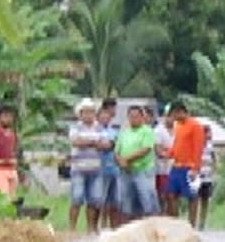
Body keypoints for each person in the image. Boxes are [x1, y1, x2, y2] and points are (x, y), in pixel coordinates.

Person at [114, 105, 161, 220]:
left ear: (142, 117)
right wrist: (121, 161)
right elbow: (116, 151)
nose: (133, 118)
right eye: (131, 116)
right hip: (126, 171)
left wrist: (126, 159)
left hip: (143, 171)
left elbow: (145, 149)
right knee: (126, 202)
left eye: (136, 116)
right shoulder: (124, 132)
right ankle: (129, 229)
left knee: (147, 201)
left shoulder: (147, 131)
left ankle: (152, 227)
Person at [67, 98, 105, 232]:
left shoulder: (99, 127)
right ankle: (72, 228)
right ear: (80, 114)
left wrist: (88, 142)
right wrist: (94, 142)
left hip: (95, 169)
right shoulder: (75, 127)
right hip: (78, 168)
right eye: (86, 112)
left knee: (94, 199)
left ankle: (90, 229)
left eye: (91, 112)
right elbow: (76, 142)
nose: (89, 115)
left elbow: (105, 144)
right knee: (76, 198)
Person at [166, 103, 206, 228]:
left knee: (192, 196)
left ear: (179, 112)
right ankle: (175, 225)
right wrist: (168, 153)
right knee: (170, 194)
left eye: (174, 115)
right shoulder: (178, 126)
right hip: (176, 166)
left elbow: (198, 148)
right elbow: (177, 144)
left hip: (190, 167)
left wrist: (196, 168)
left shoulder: (195, 126)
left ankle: (191, 225)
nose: (173, 118)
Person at [96, 100, 122, 229]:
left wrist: (109, 144)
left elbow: (114, 145)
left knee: (115, 200)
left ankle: (113, 226)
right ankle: (101, 225)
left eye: (107, 116)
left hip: (114, 169)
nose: (105, 118)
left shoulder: (114, 130)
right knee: (101, 199)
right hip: (101, 169)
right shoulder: (95, 130)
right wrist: (108, 144)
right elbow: (103, 145)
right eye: (102, 116)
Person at [152, 106, 175, 214]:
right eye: (170, 115)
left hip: (175, 169)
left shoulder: (178, 130)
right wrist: (173, 153)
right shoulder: (158, 131)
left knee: (173, 197)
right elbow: (158, 151)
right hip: (162, 170)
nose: (172, 118)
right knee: (163, 197)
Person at [196, 124, 216, 230]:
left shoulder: (210, 145)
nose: (209, 134)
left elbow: (214, 159)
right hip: (198, 176)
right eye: (207, 132)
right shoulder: (196, 144)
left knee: (205, 200)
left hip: (208, 176)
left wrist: (214, 171)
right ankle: (195, 220)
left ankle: (202, 222)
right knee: (196, 199)